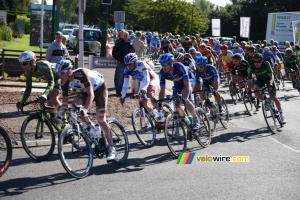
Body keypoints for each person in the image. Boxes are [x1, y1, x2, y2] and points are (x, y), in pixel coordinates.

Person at [54, 60, 118, 160]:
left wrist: (85, 109)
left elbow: (91, 94)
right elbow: (65, 102)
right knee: (74, 108)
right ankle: (92, 127)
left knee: (101, 119)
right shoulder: (64, 82)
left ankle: (112, 149)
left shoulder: (81, 74)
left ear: (69, 71)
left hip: (99, 88)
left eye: (61, 73)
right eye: (58, 73)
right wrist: (61, 115)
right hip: (85, 92)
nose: (59, 76)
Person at [158, 53, 201, 131]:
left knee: (185, 100)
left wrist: (184, 99)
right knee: (177, 104)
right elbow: (162, 90)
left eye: (165, 64)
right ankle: (186, 120)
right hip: (177, 83)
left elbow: (187, 86)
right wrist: (159, 104)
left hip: (189, 80)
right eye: (162, 64)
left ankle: (196, 120)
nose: (163, 67)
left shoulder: (179, 67)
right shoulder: (162, 72)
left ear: (171, 63)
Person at [16, 51, 61, 119]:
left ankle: (64, 118)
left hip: (60, 77)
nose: (22, 66)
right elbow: (28, 88)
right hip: (53, 80)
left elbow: (51, 82)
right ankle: (54, 117)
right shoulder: (28, 72)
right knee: (49, 101)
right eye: (21, 64)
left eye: (24, 64)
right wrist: (22, 102)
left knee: (53, 97)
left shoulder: (44, 66)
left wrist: (45, 94)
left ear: (33, 62)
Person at [119, 53, 161, 119]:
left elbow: (147, 78)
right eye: (127, 64)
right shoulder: (126, 70)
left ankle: (159, 110)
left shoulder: (142, 64)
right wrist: (123, 95)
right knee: (142, 101)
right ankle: (155, 115)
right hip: (143, 81)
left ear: (135, 62)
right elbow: (125, 84)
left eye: (130, 64)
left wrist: (144, 89)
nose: (128, 67)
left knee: (149, 93)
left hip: (152, 79)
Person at [247, 53, 286, 123]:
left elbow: (271, 76)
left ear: (261, 61)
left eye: (257, 61)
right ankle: (265, 101)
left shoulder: (266, 64)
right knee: (255, 91)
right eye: (254, 61)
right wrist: (249, 90)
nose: (256, 63)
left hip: (268, 79)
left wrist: (270, 84)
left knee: (273, 97)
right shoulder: (251, 67)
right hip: (259, 80)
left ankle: (281, 114)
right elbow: (249, 80)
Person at [112, 31, 134, 96]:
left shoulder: (130, 43)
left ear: (128, 36)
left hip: (128, 63)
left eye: (126, 35)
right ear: (122, 36)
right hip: (121, 62)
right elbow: (114, 52)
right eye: (124, 35)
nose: (125, 36)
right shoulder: (119, 43)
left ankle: (124, 91)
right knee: (119, 77)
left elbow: (133, 52)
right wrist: (118, 59)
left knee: (126, 77)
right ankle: (118, 92)